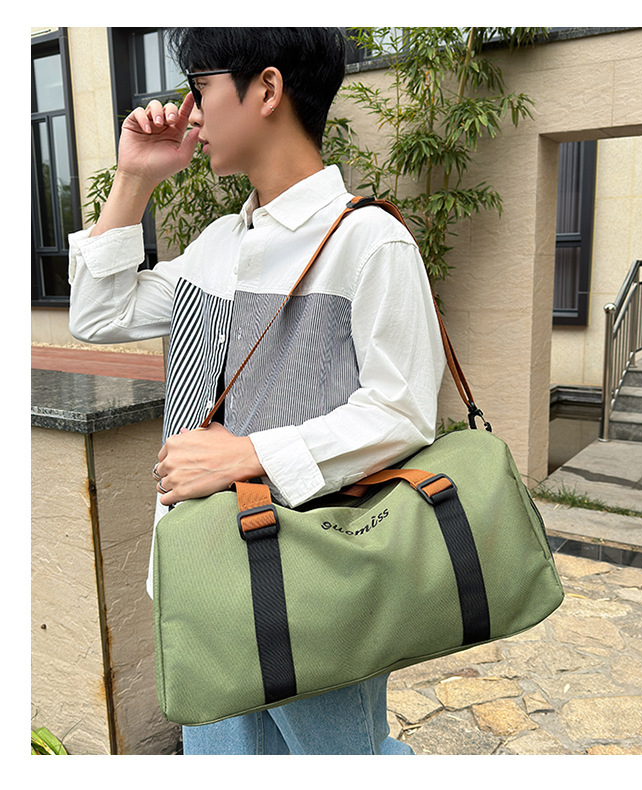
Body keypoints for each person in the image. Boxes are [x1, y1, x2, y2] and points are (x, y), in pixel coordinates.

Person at [68, 27, 445, 755]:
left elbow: (402, 412)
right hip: (200, 576)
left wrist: (247, 456)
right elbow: (97, 314)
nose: (189, 111)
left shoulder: (369, 241)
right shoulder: (218, 244)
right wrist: (135, 180)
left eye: (200, 86)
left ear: (267, 89)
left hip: (310, 583)